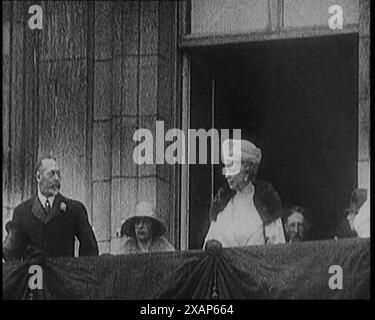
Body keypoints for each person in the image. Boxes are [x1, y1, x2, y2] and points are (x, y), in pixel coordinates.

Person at [4, 156, 98, 260]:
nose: (57, 178)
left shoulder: (75, 209)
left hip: (63, 275)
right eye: (51, 174)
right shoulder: (22, 212)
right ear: (39, 177)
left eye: (58, 174)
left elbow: (90, 251)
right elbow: (12, 255)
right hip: (35, 275)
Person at [204, 139, 286, 249]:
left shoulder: (266, 203)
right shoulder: (222, 206)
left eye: (231, 167)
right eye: (226, 168)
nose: (227, 175)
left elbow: (277, 250)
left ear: (246, 168)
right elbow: (207, 247)